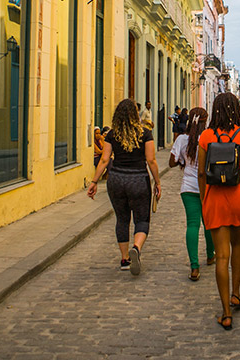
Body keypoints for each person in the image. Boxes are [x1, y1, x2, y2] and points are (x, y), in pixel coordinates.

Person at [198, 92, 240, 331]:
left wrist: (204, 199)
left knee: (221, 256)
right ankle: (236, 294)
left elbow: (202, 173)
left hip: (215, 200)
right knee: (239, 246)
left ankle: (225, 312)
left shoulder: (206, 136)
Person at [88, 99, 161, 275]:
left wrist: (94, 181)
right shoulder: (145, 133)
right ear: (135, 115)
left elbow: (105, 160)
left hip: (116, 179)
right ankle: (136, 247)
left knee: (122, 219)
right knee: (141, 219)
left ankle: (124, 259)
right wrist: (157, 182)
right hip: (138, 180)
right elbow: (151, 160)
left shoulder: (112, 134)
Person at [169, 107, 216, 281]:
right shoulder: (209, 138)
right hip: (208, 188)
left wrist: (183, 158)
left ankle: (194, 267)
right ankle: (211, 255)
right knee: (209, 223)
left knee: (192, 225)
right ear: (205, 121)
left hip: (188, 188)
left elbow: (172, 162)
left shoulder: (182, 139)